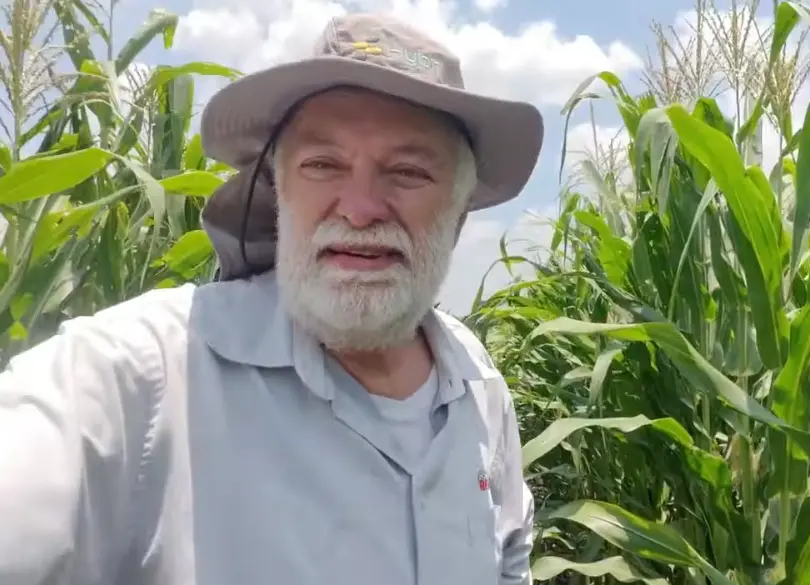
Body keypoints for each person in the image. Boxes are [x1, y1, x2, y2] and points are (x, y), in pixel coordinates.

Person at [0, 12, 544, 585]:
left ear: (458, 213)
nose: (360, 208)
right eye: (322, 165)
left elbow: (509, 559)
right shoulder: (141, 374)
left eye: (407, 172)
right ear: (278, 193)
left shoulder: (477, 383)